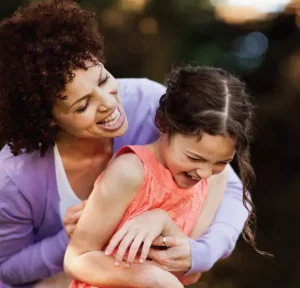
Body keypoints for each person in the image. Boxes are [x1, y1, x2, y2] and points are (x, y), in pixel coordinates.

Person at [0, 0, 253, 287]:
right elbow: (5, 270)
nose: (109, 104)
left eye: (103, 79)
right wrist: (72, 237)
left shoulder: (148, 105)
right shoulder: (14, 177)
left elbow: (228, 188)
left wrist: (199, 253)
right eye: (83, 106)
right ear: (46, 118)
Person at [64, 65, 254, 288]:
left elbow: (190, 273)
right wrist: (150, 277)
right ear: (164, 126)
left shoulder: (214, 180)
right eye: (193, 157)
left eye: (222, 162)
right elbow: (76, 259)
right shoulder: (130, 172)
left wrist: (162, 220)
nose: (204, 172)